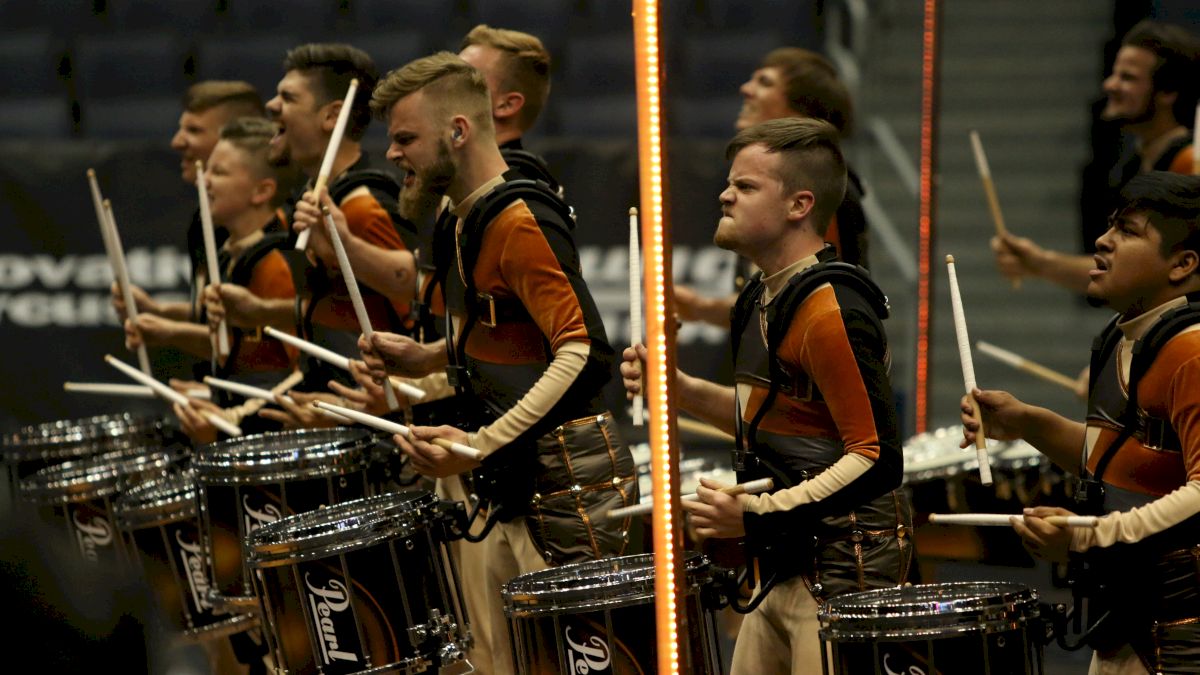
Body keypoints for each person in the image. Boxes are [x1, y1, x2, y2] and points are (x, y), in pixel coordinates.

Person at [363, 52, 638, 675]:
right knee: (492, 662)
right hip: (503, 475)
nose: (392, 155)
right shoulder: (463, 219)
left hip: (561, 479)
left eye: (405, 138)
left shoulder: (517, 217)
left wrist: (480, 443)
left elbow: (581, 349)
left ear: (457, 132)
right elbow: (504, 339)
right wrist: (427, 356)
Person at [622, 118, 913, 674]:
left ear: (799, 205)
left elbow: (875, 458)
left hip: (844, 566)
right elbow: (776, 419)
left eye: (747, 187)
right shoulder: (759, 294)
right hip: (783, 557)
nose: (724, 195)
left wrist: (756, 514)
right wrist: (676, 389)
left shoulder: (830, 309)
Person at [963, 172, 1200, 674]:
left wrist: (1086, 536)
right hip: (1128, 616)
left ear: (1182, 264)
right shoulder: (1123, 337)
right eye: (1110, 226)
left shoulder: (1191, 350)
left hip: (1180, 630)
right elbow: (1123, 466)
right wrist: (1029, 422)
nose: (1102, 240)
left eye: (1129, 231)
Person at [206, 43, 417, 404]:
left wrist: (345, 247)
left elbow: (414, 310)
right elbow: (340, 309)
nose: (271, 105)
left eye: (287, 97)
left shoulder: (361, 207)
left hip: (380, 428)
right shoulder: (311, 201)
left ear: (331, 116)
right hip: (338, 412)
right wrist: (259, 311)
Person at [992, 19, 1199, 292]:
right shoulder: (1133, 166)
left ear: (1168, 91)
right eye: (1114, 73)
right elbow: (1115, 268)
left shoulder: (1189, 165)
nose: (1110, 85)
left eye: (1127, 78)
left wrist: (1041, 263)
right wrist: (1038, 262)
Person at [674, 47, 869, 328]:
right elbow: (771, 311)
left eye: (764, 82)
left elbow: (814, 308)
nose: (745, 89)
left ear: (800, 109)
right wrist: (700, 308)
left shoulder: (833, 193)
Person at [113, 81, 265, 356]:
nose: (176, 141)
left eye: (194, 131)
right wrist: (157, 310)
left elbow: (262, 342)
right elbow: (217, 317)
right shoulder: (203, 219)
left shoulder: (272, 230)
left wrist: (169, 332)